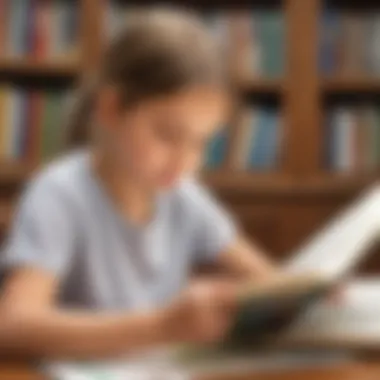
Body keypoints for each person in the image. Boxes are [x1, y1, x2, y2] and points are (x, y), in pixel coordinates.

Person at [0, 8, 274, 359]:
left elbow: (269, 281)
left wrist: (314, 295)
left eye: (201, 142)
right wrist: (162, 325)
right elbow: (13, 323)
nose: (185, 161)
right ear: (111, 109)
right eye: (168, 135)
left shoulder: (183, 195)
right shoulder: (58, 194)